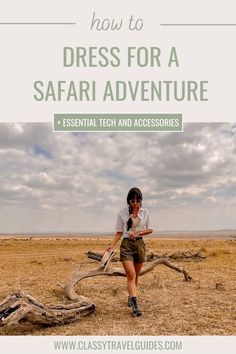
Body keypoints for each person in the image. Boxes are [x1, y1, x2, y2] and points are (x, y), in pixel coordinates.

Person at [106, 187, 153, 317]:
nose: (135, 203)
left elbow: (150, 229)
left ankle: (131, 296)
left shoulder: (145, 212)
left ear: (140, 200)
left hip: (139, 244)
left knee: (136, 275)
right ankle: (135, 305)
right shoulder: (122, 213)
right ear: (128, 201)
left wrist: (139, 232)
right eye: (132, 201)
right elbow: (120, 232)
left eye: (137, 200)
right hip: (126, 245)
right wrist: (111, 245)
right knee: (131, 274)